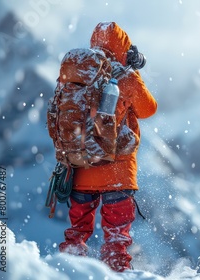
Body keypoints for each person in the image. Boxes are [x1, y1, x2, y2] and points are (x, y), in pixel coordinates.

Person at [58, 22, 157, 272]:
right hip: (117, 171)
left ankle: (68, 266)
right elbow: (148, 109)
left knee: (77, 231)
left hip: (80, 165)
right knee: (116, 236)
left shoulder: (77, 74)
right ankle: (116, 271)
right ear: (123, 47)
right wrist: (132, 69)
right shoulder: (125, 76)